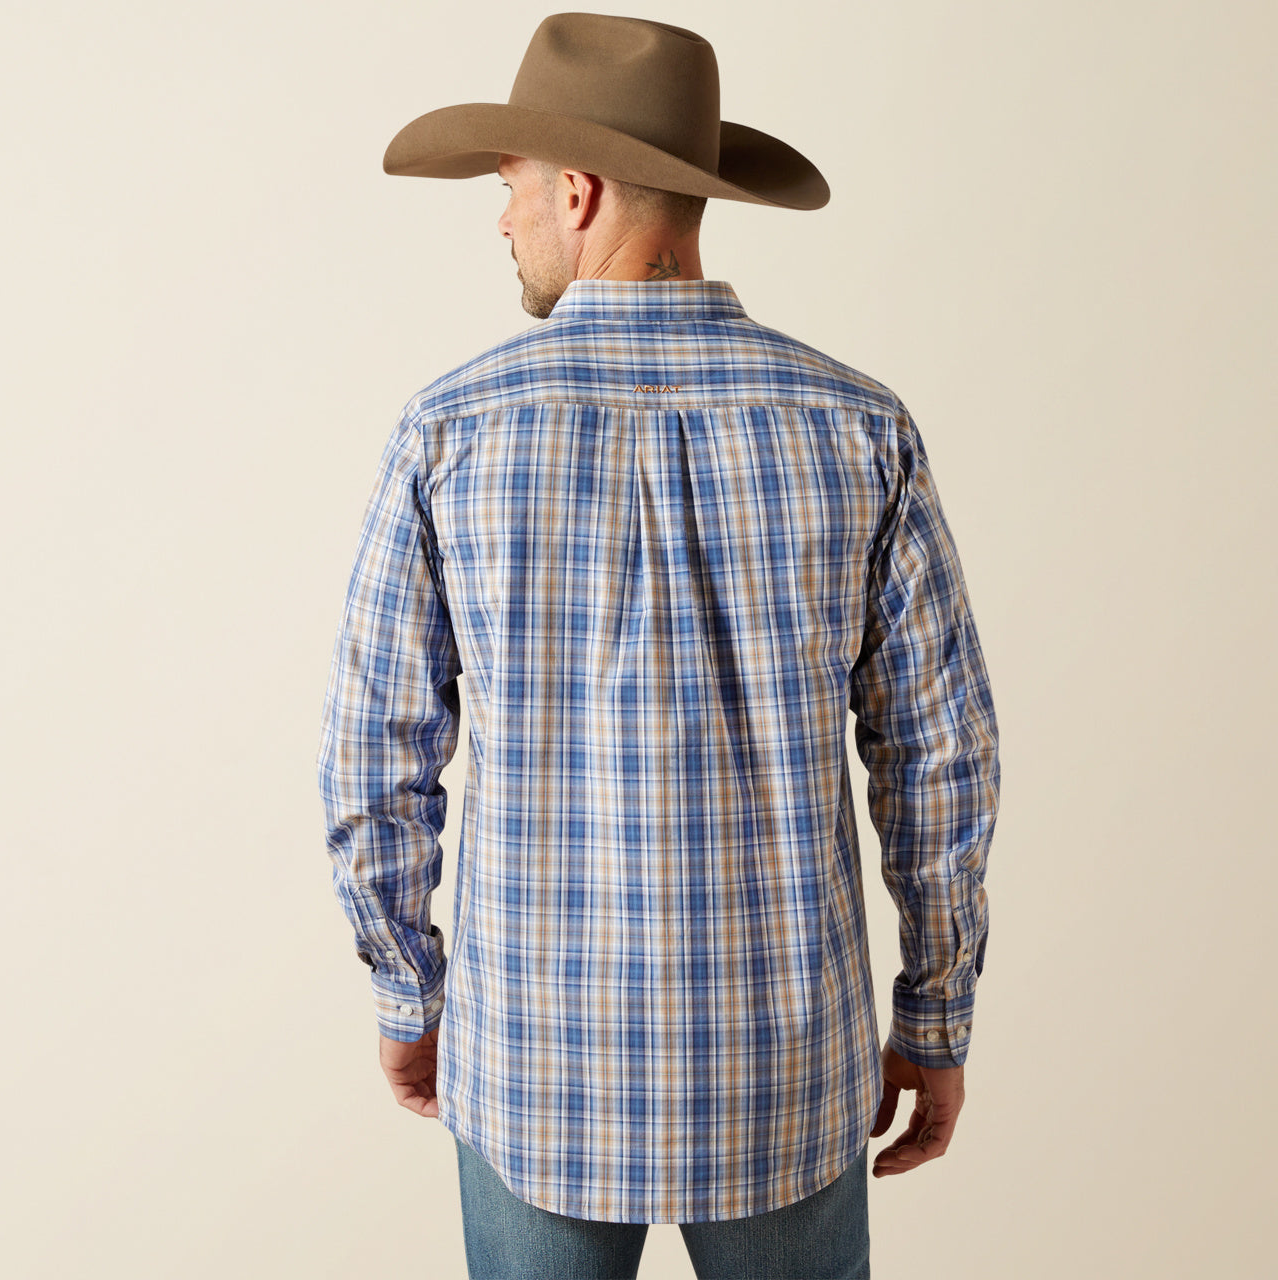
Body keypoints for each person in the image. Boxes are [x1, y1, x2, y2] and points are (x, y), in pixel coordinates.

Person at [318, 13, 1001, 1279]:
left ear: (576, 191)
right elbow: (940, 756)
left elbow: (372, 759)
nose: (502, 219)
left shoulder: (448, 432)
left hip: (535, 1067)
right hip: (787, 1065)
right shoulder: (857, 427)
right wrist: (936, 1009)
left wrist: (407, 989)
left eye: (511, 185)